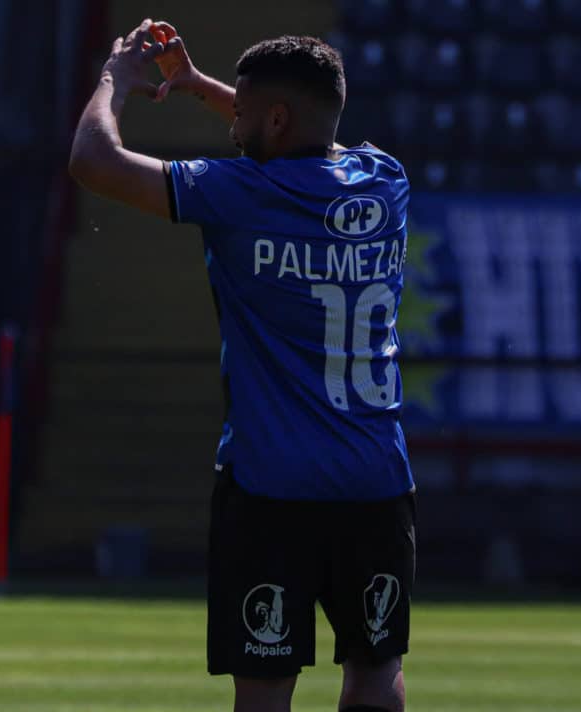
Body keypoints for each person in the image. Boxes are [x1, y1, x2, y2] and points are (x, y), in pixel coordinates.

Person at [69, 20, 415, 712]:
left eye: (245, 113)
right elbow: (308, 136)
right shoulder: (384, 184)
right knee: (375, 673)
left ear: (277, 118)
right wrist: (197, 86)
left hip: (272, 485)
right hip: (375, 482)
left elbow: (94, 161)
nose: (232, 127)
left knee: (263, 690)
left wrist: (116, 79)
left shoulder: (238, 193)